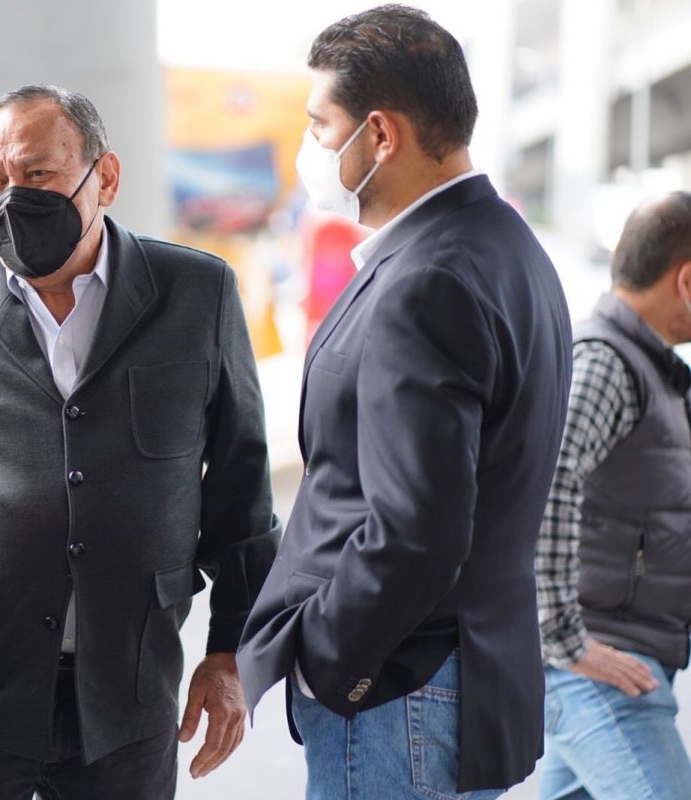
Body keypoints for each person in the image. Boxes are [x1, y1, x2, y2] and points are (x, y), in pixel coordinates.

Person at [0, 84, 279, 800]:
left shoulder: (198, 295)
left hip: (129, 693)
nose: (12, 198)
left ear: (104, 177)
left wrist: (232, 651)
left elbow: (243, 497)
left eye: (37, 174)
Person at [236, 6, 572, 798]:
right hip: (457, 674)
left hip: (398, 691)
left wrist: (328, 661)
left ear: (380, 134)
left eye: (320, 125)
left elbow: (416, 529)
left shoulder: (426, 281)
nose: (310, 147)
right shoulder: (507, 247)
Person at [535, 192, 691, 800]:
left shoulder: (654, 370)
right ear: (686, 280)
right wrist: (565, 641)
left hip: (615, 661)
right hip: (602, 669)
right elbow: (548, 481)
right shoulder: (608, 362)